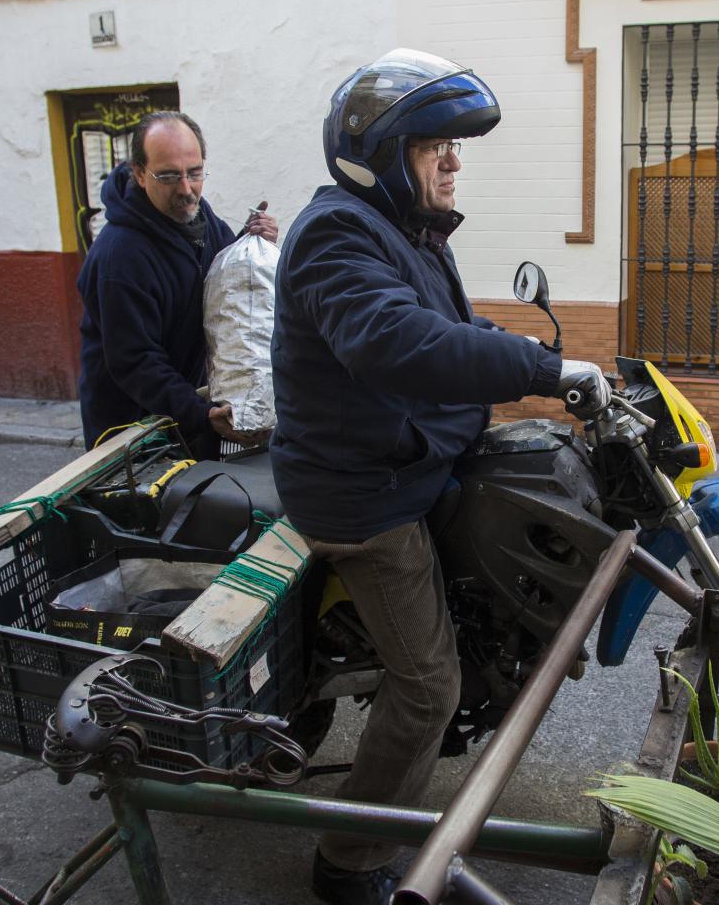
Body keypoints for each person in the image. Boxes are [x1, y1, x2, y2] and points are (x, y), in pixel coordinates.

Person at [269, 49, 609, 905]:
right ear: (381, 155)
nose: (453, 160)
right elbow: (397, 340)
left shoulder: (407, 233)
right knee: (429, 686)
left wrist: (538, 360)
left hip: (420, 461)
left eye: (456, 145)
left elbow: (447, 324)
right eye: (433, 145)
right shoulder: (334, 234)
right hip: (367, 493)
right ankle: (346, 865)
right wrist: (543, 368)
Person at [76, 111, 279, 457]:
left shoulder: (200, 219)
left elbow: (219, 283)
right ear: (140, 174)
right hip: (131, 431)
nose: (186, 189)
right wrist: (198, 413)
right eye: (168, 176)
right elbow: (135, 360)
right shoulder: (119, 255)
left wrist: (251, 245)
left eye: (195, 173)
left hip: (187, 410)